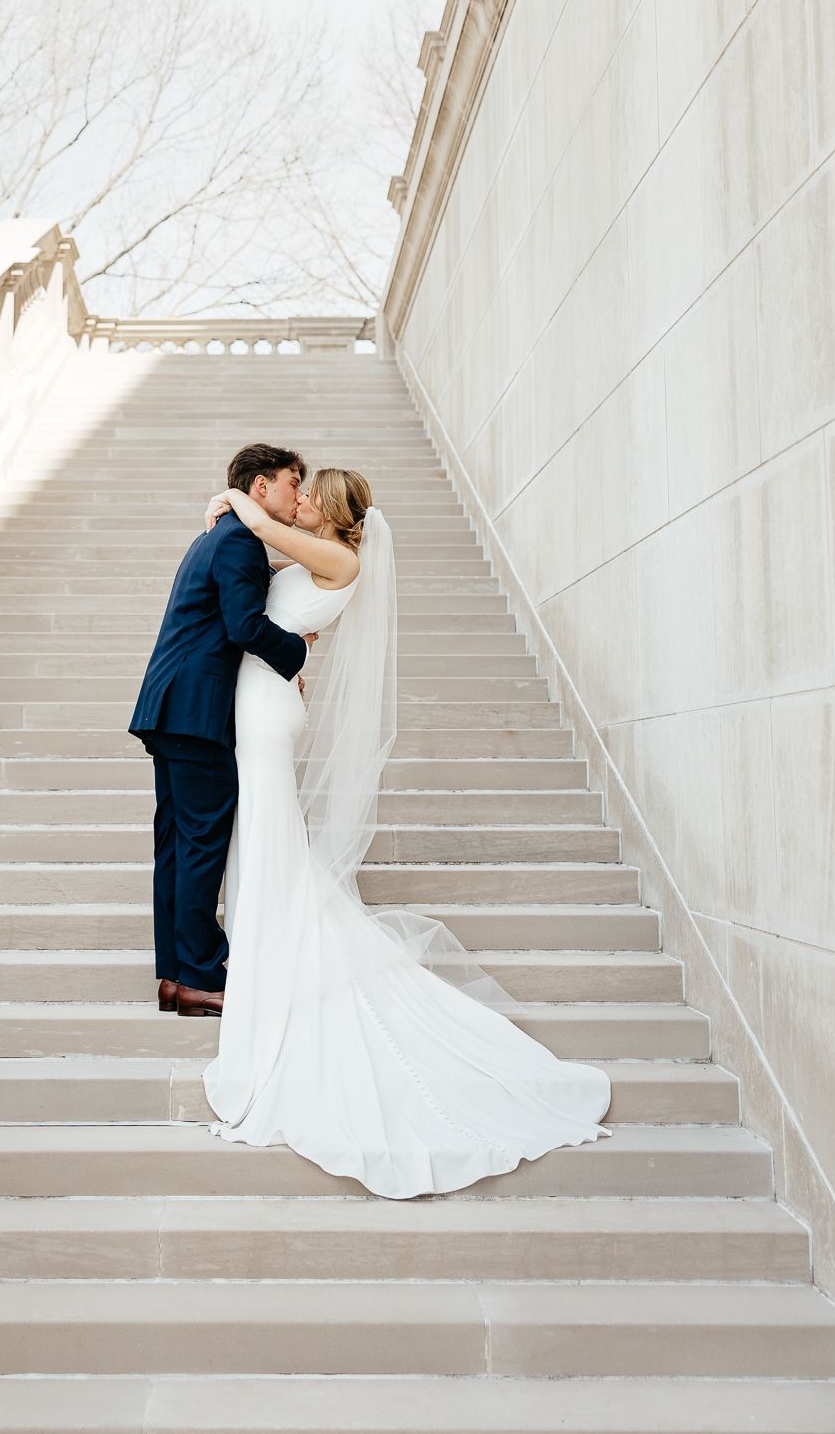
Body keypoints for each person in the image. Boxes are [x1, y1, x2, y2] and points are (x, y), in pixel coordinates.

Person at [200, 468, 613, 1199]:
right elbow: (261, 577)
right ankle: (266, 956)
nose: (295, 500)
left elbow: (260, 531)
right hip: (263, 699)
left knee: (268, 841)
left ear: (325, 507)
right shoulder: (313, 554)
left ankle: (271, 972)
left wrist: (230, 497)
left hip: (263, 717)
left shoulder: (342, 559)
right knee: (266, 844)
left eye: (306, 493)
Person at [128, 445, 314, 1018]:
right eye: (291, 483)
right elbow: (244, 624)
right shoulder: (236, 540)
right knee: (201, 847)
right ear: (261, 486)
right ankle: (205, 978)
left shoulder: (223, 536)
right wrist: (296, 652)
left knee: (178, 847)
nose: (296, 494)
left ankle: (177, 977)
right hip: (197, 712)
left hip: (173, 708)